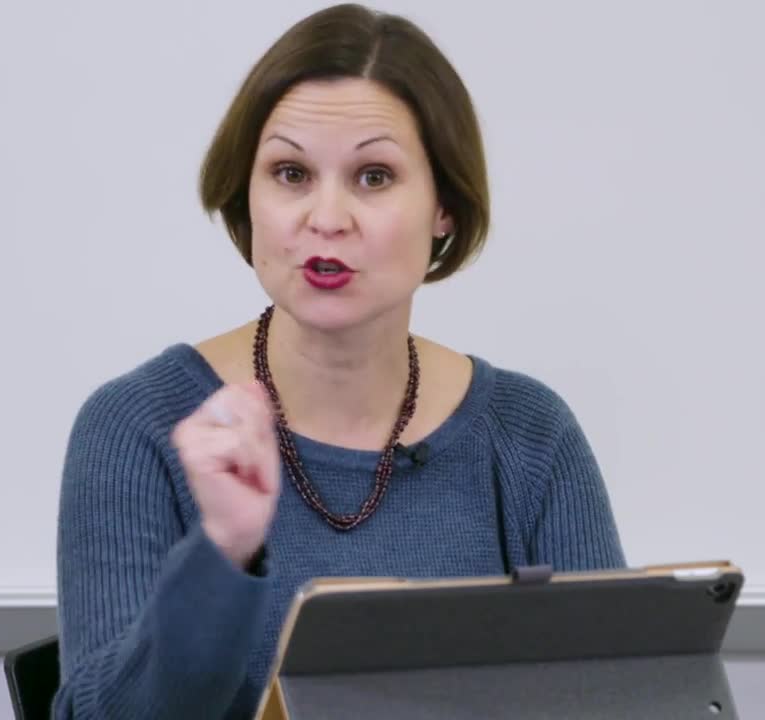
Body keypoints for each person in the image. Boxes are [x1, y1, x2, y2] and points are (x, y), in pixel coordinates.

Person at [52, 3, 625, 717]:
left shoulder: (529, 434)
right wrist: (223, 552)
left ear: (444, 206)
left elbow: (622, 697)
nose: (326, 218)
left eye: (374, 176)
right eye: (290, 173)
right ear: (248, 194)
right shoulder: (137, 425)